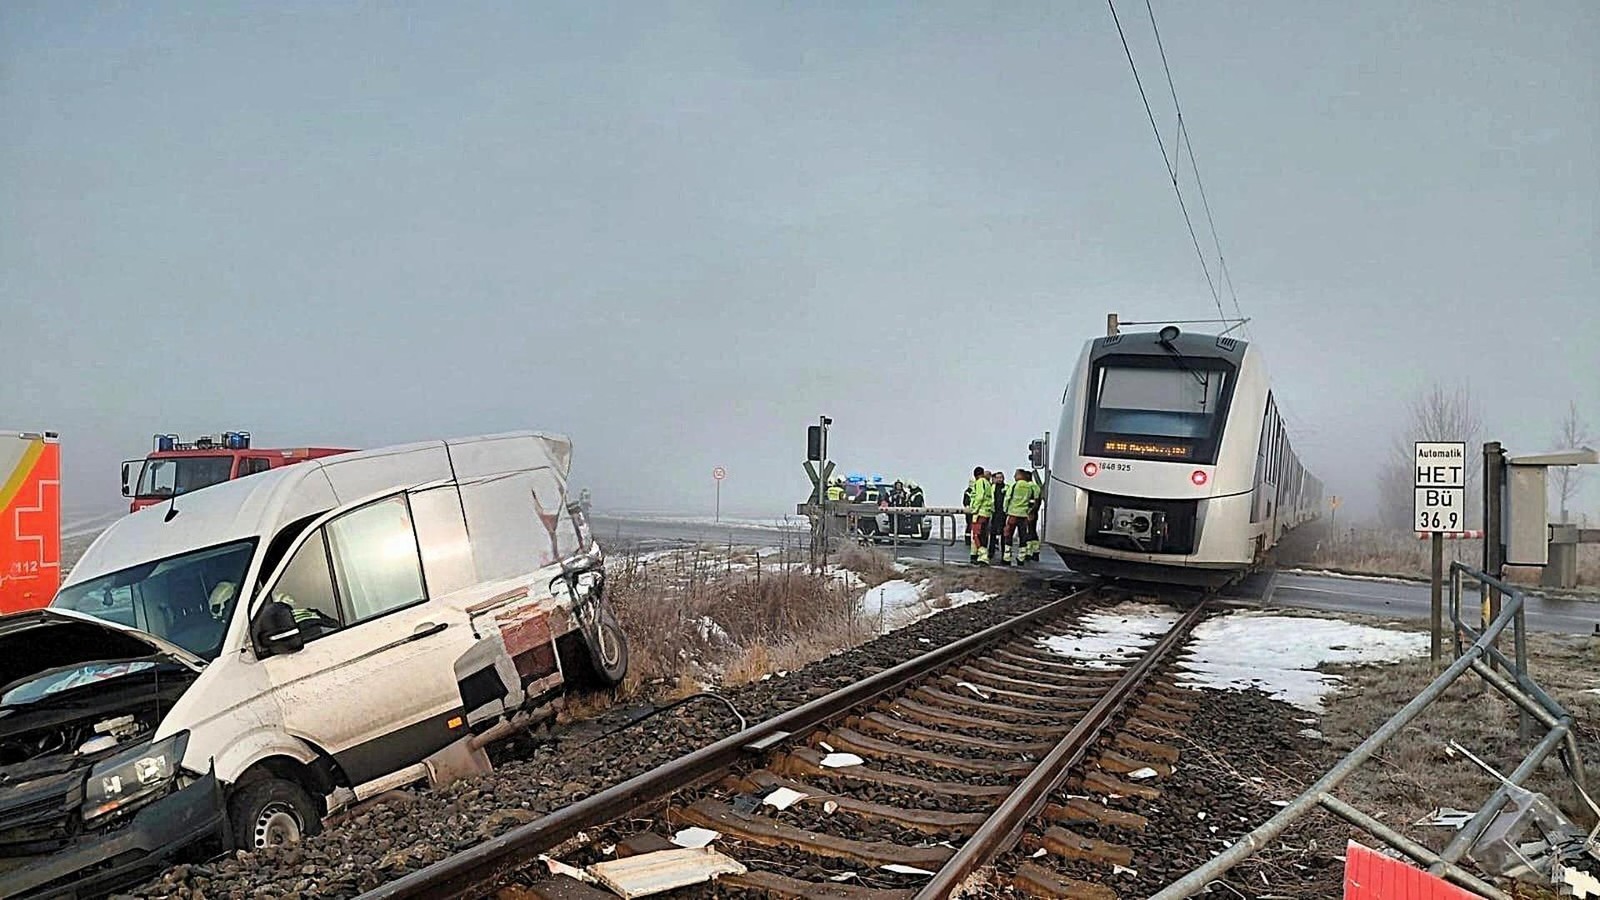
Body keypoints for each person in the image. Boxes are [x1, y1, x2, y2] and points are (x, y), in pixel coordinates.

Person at [1004, 469, 1040, 565]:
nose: (1014, 476)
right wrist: (1029, 512)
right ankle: (1021, 557)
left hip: (1013, 514)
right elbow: (1033, 501)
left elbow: (1007, 498)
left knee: (1009, 535)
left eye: (1016, 475)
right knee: (1023, 535)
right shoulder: (1029, 487)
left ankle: (1007, 557)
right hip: (1024, 515)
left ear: (1020, 476)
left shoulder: (1014, 485)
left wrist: (1006, 510)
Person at [966, 466, 993, 564]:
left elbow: (980, 497)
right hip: (987, 512)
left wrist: (975, 509)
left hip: (980, 513)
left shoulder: (979, 482)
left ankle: (983, 555)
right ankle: (976, 555)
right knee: (983, 535)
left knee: (977, 535)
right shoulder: (988, 483)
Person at [987, 469, 1007, 562]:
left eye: (1000, 477)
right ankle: (991, 552)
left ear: (1003, 478)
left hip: (1003, 513)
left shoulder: (1007, 488)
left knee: (1004, 535)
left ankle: (1004, 553)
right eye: (997, 477)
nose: (999, 479)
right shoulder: (992, 488)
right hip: (994, 513)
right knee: (993, 533)